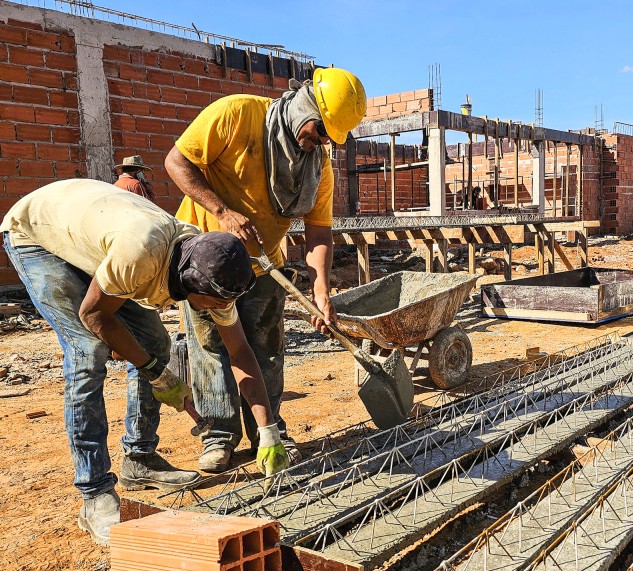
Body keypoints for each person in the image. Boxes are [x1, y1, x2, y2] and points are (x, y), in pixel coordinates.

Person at [0, 179, 289, 546]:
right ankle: (95, 493)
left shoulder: (210, 264)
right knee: (88, 352)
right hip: (38, 235)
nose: (220, 310)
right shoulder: (141, 255)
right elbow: (94, 315)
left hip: (99, 238)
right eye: (215, 304)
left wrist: (268, 430)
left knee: (154, 341)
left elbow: (240, 354)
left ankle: (140, 460)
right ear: (191, 287)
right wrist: (156, 373)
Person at [165, 67, 366, 472]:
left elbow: (319, 232)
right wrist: (221, 211)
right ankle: (219, 435)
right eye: (320, 129)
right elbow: (176, 161)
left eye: (330, 137)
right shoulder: (236, 114)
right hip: (207, 264)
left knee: (267, 351)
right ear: (306, 103)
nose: (321, 141)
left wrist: (321, 291)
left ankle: (269, 429)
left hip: (264, 266)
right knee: (211, 349)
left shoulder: (318, 166)